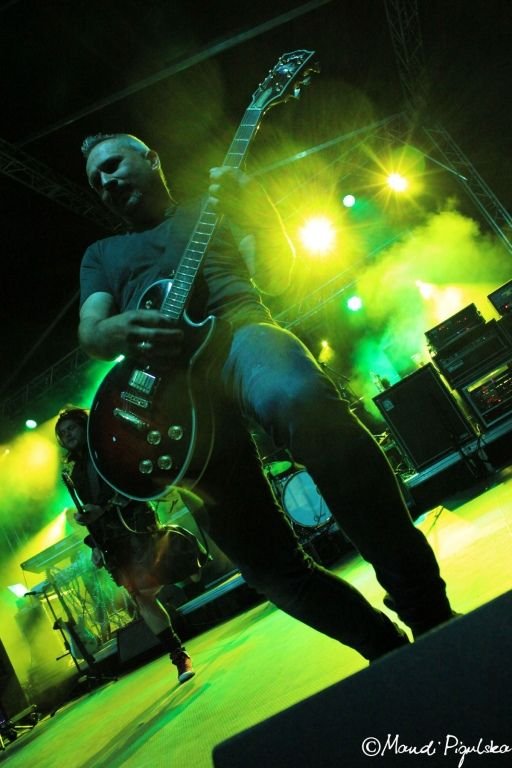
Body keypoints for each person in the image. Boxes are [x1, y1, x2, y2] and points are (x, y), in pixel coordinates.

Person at [77, 132, 455, 664]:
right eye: (96, 180)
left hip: (238, 332)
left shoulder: (213, 208)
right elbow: (92, 331)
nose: (107, 181)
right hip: (171, 396)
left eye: (113, 164)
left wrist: (259, 210)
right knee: (262, 563)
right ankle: (383, 649)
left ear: (151, 158)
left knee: (297, 399)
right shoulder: (101, 254)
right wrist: (117, 327)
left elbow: (278, 278)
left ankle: (427, 610)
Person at [55, 407, 196, 683]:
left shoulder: (108, 449)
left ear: (85, 425)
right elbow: (91, 510)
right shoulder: (76, 471)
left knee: (167, 575)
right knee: (141, 597)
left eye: (71, 428)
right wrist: (95, 544)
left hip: (136, 526)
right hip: (113, 542)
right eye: (62, 433)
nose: (67, 435)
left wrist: (102, 509)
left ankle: (194, 565)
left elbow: (133, 484)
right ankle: (179, 656)